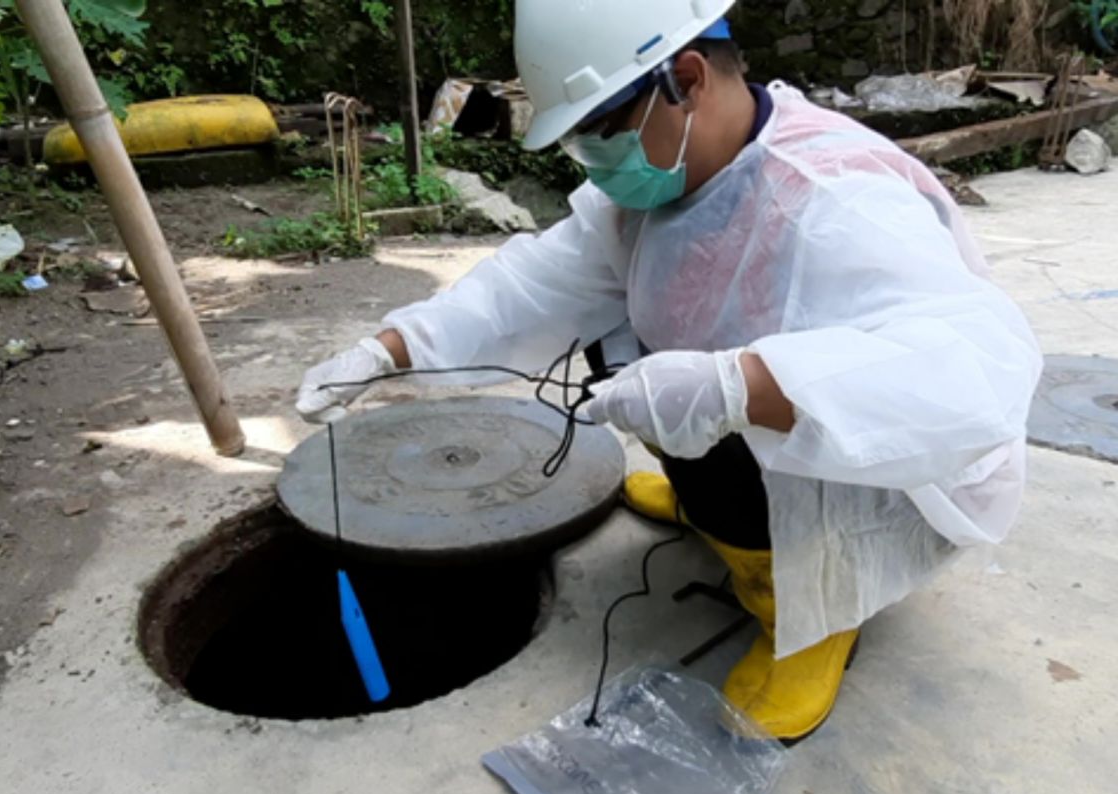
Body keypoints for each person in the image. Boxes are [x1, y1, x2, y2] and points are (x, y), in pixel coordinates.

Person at [296, 0, 1043, 744]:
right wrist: (393, 350)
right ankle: (720, 519)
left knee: (718, 403)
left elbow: (974, 374)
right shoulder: (659, 182)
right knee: (615, 336)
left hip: (873, 477)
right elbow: (537, 282)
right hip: (755, 447)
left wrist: (737, 387)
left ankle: (810, 606)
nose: (591, 159)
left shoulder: (834, 198)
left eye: (599, 132)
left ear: (686, 79)